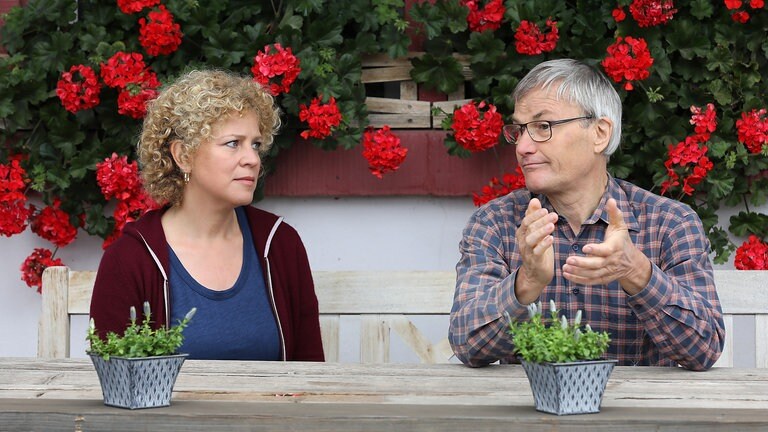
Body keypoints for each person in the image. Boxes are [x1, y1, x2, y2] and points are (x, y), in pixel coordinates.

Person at [449, 58, 724, 371]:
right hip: (531, 413)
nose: (523, 146)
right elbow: (466, 344)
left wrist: (635, 270)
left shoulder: (670, 224)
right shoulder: (496, 223)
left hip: (637, 413)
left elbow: (704, 348)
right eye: (519, 130)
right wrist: (526, 282)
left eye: (543, 126)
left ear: (600, 133)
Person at [90, 69, 324, 361]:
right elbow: (117, 382)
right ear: (183, 156)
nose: (252, 159)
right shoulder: (131, 260)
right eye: (232, 143)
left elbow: (310, 370)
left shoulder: (279, 245)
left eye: (255, 144)